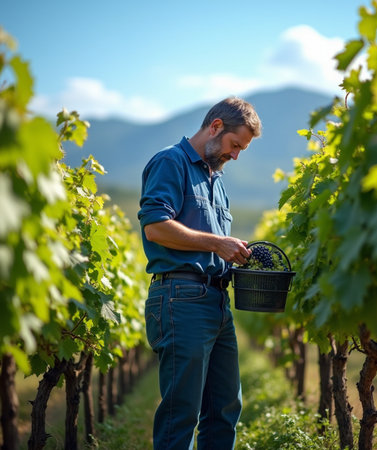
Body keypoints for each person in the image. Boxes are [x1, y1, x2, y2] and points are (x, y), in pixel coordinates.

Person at [138, 97, 262, 449]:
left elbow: (211, 241)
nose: (235, 155)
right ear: (216, 127)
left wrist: (232, 251)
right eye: (234, 145)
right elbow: (156, 228)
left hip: (217, 303)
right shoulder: (170, 162)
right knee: (182, 414)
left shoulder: (215, 178)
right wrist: (216, 243)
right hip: (181, 299)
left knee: (224, 409)